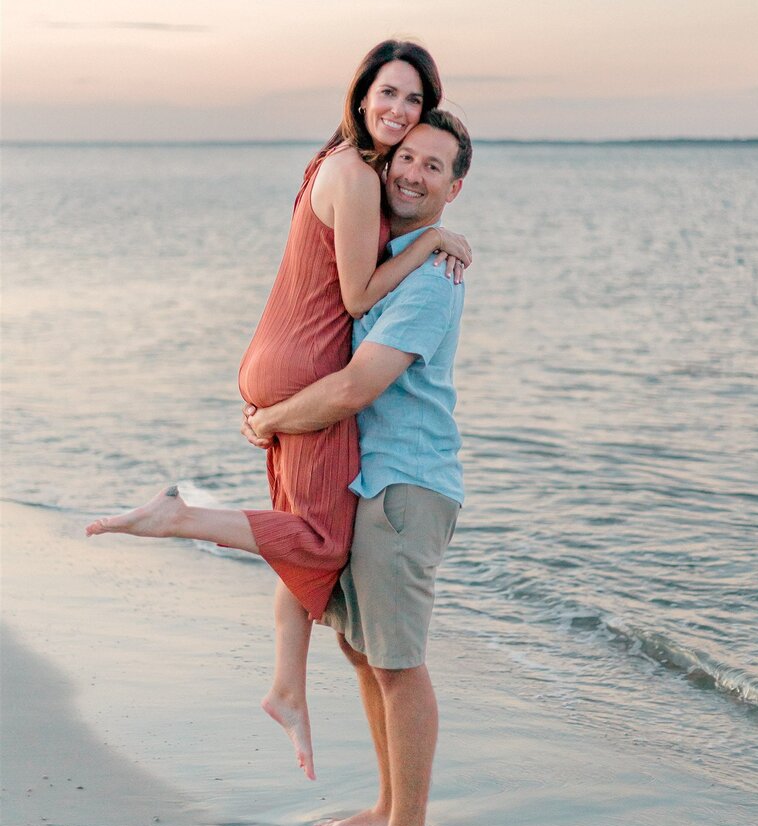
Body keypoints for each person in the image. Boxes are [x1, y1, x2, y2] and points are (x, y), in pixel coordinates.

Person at [86, 41, 471, 784]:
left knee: (305, 538)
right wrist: (429, 247)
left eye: (413, 102)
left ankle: (287, 688)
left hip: (278, 358)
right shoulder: (359, 174)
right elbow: (358, 299)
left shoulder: (331, 162)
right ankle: (181, 516)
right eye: (388, 94)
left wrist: (420, 239)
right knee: (322, 542)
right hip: (309, 367)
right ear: (362, 95)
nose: (398, 112)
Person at [240, 110, 472, 826]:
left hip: (406, 487)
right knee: (363, 649)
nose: (413, 173)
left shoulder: (431, 282)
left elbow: (354, 386)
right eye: (407, 157)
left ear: (455, 186)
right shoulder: (393, 259)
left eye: (434, 167)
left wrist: (271, 419)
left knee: (399, 664)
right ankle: (386, 807)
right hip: (367, 480)